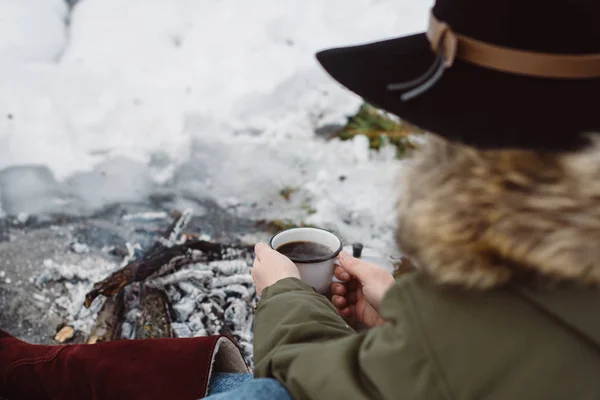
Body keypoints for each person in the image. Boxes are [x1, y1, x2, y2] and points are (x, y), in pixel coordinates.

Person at [3, 0, 600, 398]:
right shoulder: (556, 274)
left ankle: (31, 373)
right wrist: (405, 316)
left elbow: (328, 389)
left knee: (249, 391)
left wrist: (285, 295)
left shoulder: (497, 304)